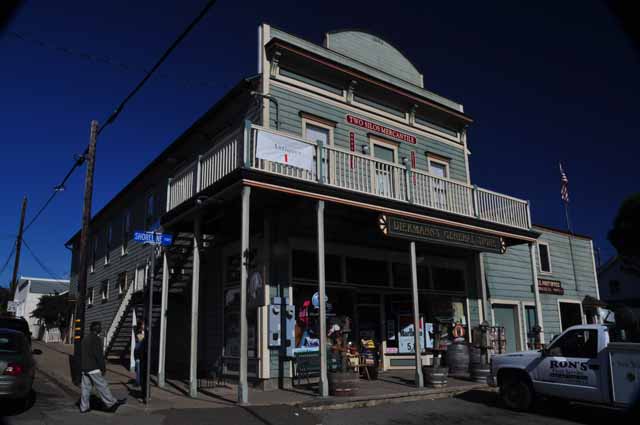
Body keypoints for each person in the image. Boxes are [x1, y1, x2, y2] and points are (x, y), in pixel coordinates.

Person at [79, 321, 126, 413]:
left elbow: (82, 354)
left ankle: (83, 407)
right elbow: (99, 355)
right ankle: (111, 403)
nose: (101, 328)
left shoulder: (85, 339)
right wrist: (103, 367)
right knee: (102, 386)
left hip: (85, 367)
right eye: (100, 327)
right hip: (94, 367)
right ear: (96, 329)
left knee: (86, 388)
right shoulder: (96, 339)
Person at [134, 320, 145, 388]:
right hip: (138, 352)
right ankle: (138, 382)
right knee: (138, 368)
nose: (144, 325)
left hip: (140, 351)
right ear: (140, 325)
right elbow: (141, 340)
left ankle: (139, 381)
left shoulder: (142, 332)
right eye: (143, 324)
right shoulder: (138, 332)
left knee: (140, 368)